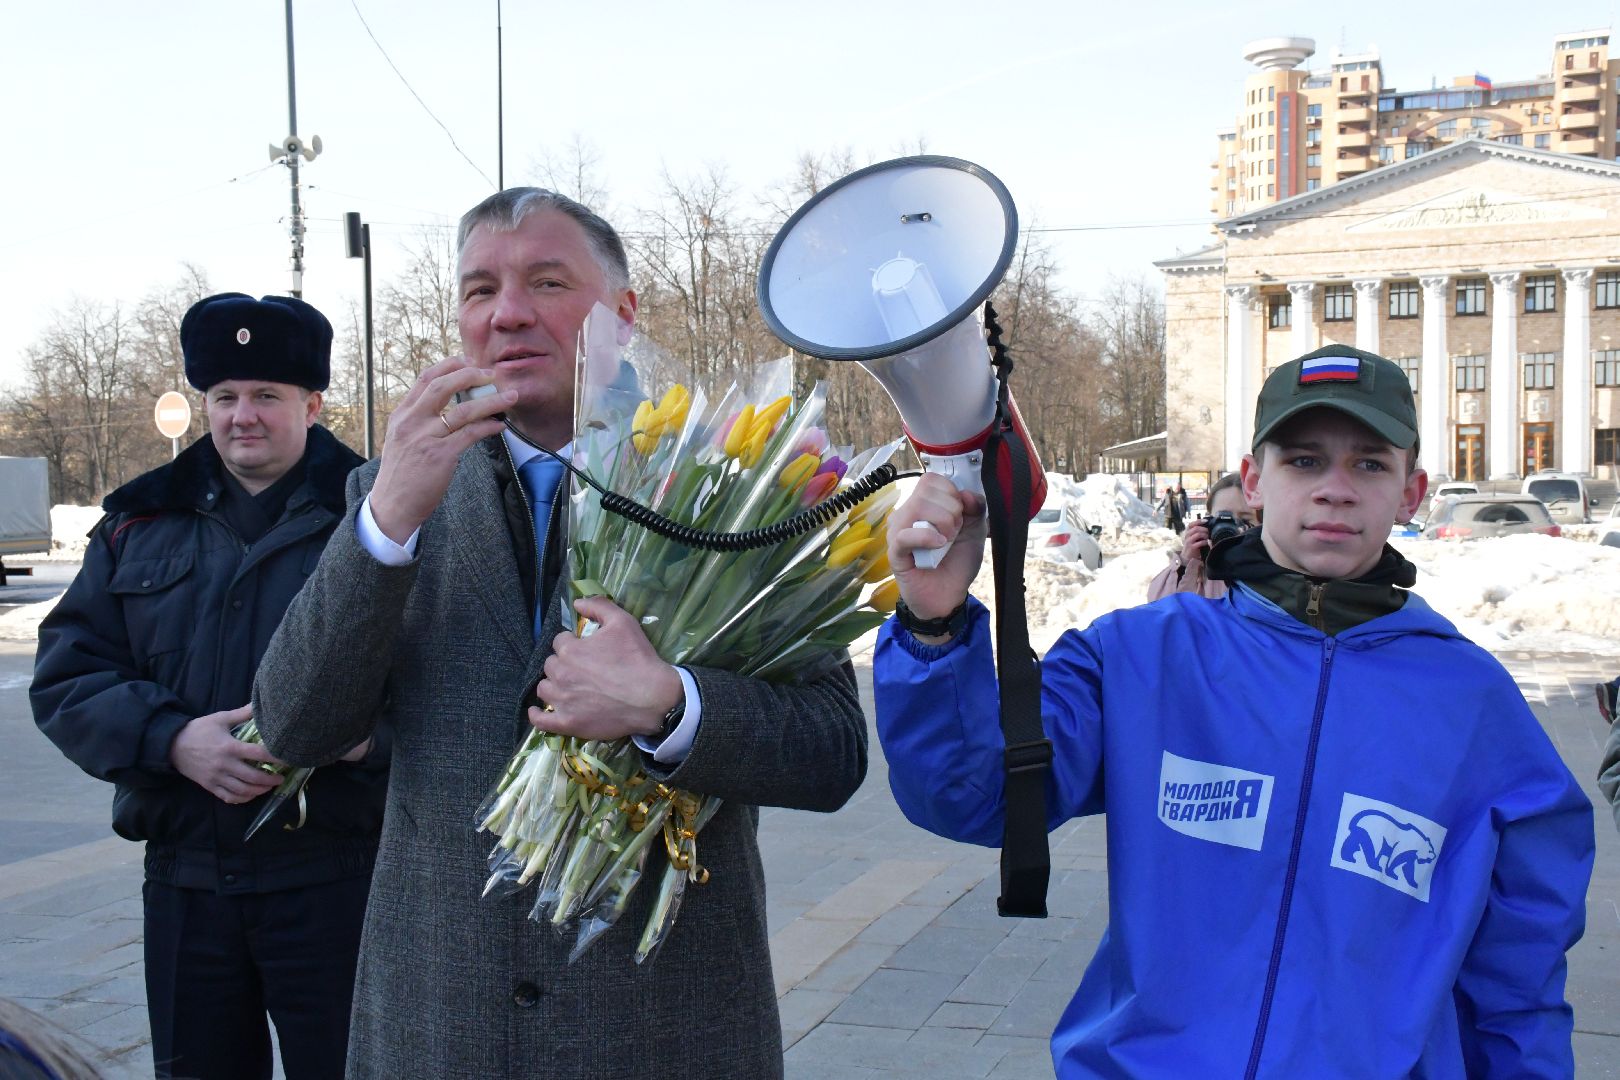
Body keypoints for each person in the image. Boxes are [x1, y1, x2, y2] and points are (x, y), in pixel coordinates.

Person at [249, 188, 867, 1079]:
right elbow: (295, 725)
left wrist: (671, 706)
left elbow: (832, 751)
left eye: (546, 282)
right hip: (441, 1028)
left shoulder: (736, 481)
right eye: (479, 290)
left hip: (662, 1034)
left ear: (624, 312)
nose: (507, 314)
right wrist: (387, 521)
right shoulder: (392, 491)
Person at [873, 343, 1594, 1077]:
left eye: (1370, 464)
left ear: (1412, 492)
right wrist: (934, 624)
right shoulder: (1142, 658)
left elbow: (1518, 984)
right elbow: (970, 796)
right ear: (1254, 481)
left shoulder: (1474, 709)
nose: (1335, 490)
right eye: (1304, 461)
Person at [31, 294, 383, 1080]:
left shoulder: (377, 519)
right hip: (187, 885)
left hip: (339, 881)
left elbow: (446, 681)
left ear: (313, 405)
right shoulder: (139, 522)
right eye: (224, 396)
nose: (242, 416)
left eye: (266, 395)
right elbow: (67, 676)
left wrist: (364, 740)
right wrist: (172, 740)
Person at [1146, 471, 1258, 601]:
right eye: (1223, 518)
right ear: (1208, 521)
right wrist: (1186, 563)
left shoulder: (1270, 565)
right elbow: (1160, 605)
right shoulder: (1200, 565)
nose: (1232, 528)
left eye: (1244, 519)